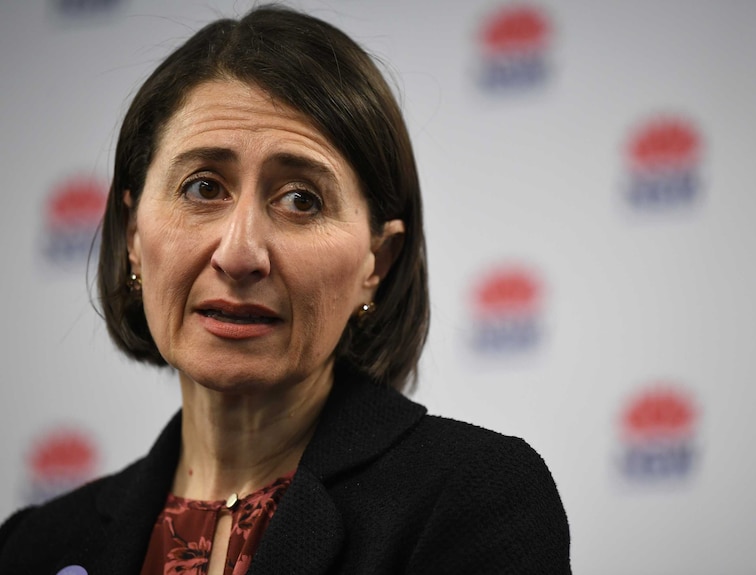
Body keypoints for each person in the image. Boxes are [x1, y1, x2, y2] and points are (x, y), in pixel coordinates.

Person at [0, 5, 570, 574]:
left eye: (301, 199)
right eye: (203, 187)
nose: (240, 254)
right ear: (132, 237)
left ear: (378, 261)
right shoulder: (33, 548)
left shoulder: (474, 501)